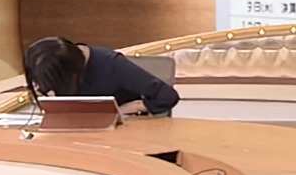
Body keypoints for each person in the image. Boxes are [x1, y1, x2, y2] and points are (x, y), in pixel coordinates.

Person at [22, 37, 179, 116]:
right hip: (77, 131)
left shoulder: (111, 64)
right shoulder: (50, 65)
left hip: (120, 132)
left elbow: (166, 96)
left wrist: (128, 108)